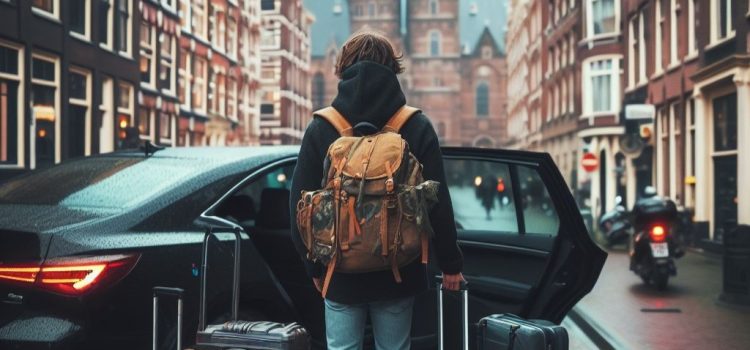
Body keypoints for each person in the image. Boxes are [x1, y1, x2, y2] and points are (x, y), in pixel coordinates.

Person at [289, 31, 465, 350]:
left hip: (340, 274)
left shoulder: (322, 127)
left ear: (342, 69)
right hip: (399, 273)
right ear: (394, 70)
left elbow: (299, 209)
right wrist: (451, 264)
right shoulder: (416, 125)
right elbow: (437, 203)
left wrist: (315, 269)